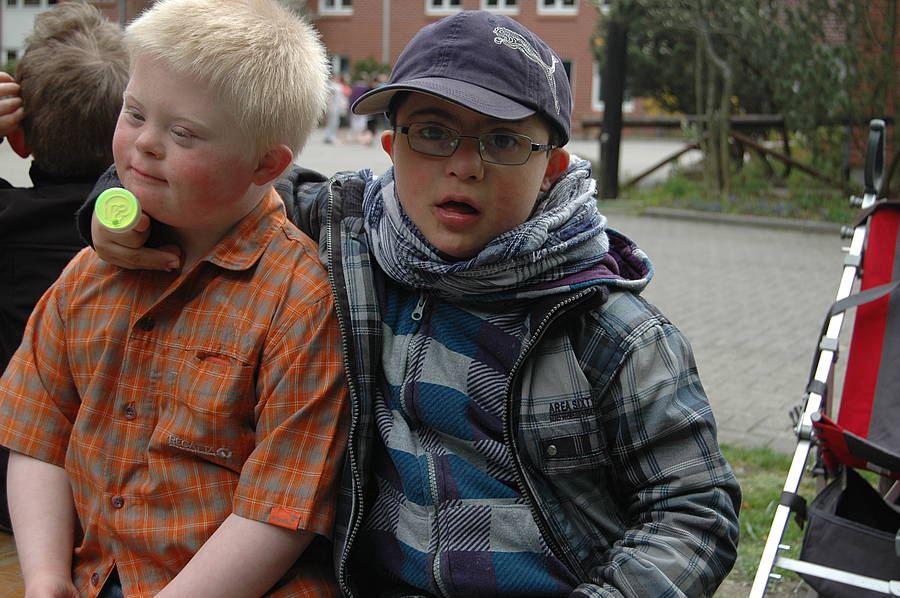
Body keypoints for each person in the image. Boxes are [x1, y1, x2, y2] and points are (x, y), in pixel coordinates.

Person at [83, 10, 741, 597]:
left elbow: (695, 513)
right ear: (392, 148)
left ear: (552, 168)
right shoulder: (352, 238)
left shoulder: (612, 333)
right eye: (432, 132)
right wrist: (115, 206)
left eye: (503, 141)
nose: (465, 165)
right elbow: (221, 171)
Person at [0, 0, 349, 596]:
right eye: (134, 113)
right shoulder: (88, 275)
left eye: (183, 133)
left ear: (266, 163)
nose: (145, 144)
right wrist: (46, 576)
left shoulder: (302, 303)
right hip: (91, 575)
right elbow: (38, 433)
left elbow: (279, 508)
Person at [0, 1, 129, 534]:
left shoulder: (9, 225)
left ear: (18, 137)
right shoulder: (174, 230)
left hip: (12, 504)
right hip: (127, 510)